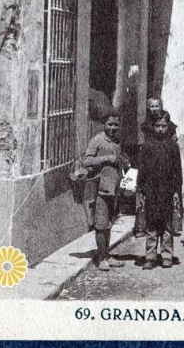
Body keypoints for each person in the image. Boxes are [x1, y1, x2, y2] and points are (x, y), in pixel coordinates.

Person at [83, 110, 130, 271]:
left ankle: (107, 254)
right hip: (101, 190)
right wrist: (106, 158)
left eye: (116, 124)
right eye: (110, 124)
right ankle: (101, 258)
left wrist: (124, 163)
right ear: (104, 124)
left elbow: (118, 161)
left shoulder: (117, 141)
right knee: (101, 225)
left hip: (114, 189)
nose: (113, 127)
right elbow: (86, 161)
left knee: (109, 224)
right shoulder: (97, 140)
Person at [137, 112, 183, 270]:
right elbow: (141, 169)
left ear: (168, 126)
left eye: (164, 126)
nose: (161, 129)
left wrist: (177, 190)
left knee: (167, 224)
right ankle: (150, 256)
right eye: (158, 126)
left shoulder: (172, 146)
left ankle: (166, 255)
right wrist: (141, 190)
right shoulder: (147, 146)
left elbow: (178, 170)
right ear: (153, 127)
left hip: (168, 190)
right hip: (151, 191)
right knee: (151, 224)